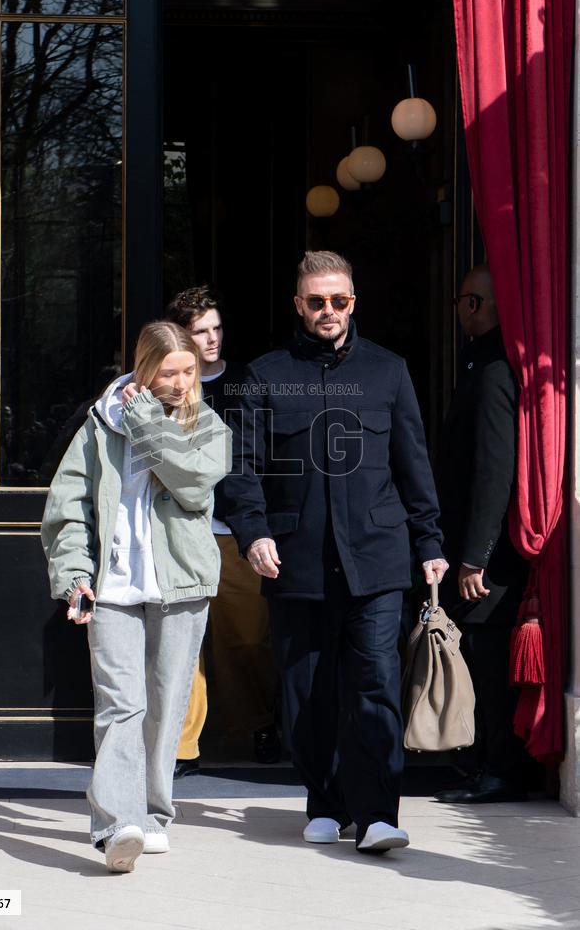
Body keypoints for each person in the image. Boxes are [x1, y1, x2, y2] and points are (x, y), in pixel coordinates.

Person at [223, 250, 448, 853]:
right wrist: (254, 532)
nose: (328, 311)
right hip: (294, 561)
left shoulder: (389, 371)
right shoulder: (264, 376)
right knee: (307, 691)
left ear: (354, 302)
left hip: (377, 559)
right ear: (299, 305)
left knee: (374, 684)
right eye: (316, 301)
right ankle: (324, 800)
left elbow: (413, 463)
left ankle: (377, 813)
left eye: (339, 300)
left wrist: (429, 540)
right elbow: (240, 469)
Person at [41, 321, 232, 872]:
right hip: (114, 586)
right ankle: (116, 825)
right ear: (144, 369)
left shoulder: (208, 424)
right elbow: (68, 504)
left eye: (189, 371)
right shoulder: (100, 425)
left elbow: (192, 482)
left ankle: (153, 814)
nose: (180, 383)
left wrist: (147, 419)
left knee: (168, 704)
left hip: (183, 585)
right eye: (168, 372)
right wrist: (75, 572)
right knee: (121, 706)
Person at [165, 287, 280, 776]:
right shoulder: (164, 386)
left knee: (246, 638)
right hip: (179, 529)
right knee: (183, 644)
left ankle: (259, 726)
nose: (212, 339)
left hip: (234, 531)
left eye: (216, 328)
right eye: (200, 332)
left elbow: (259, 459)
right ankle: (183, 747)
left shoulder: (246, 382)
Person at [434, 265, 530, 804]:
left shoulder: (494, 369)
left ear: (474, 305)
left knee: (489, 665)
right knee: (476, 656)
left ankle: (500, 769)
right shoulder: (480, 360)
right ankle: (482, 763)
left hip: (486, 561)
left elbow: (496, 469)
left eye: (460, 301)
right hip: (473, 551)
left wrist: (476, 557)